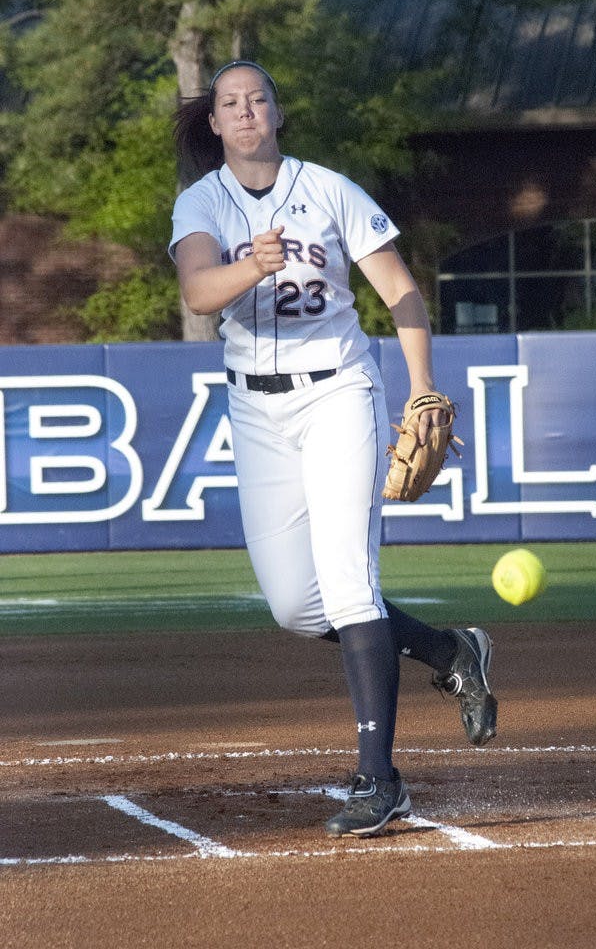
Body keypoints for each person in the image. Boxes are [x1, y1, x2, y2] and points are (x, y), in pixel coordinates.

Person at [169, 60, 497, 838]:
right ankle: (449, 649)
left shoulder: (329, 189)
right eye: (229, 104)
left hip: (338, 392)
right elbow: (196, 291)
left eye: (257, 99)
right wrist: (250, 263)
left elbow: (400, 291)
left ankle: (379, 780)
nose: (245, 112)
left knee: (349, 581)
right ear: (214, 124)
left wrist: (420, 387)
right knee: (294, 604)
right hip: (254, 407)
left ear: (276, 114)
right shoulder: (201, 200)